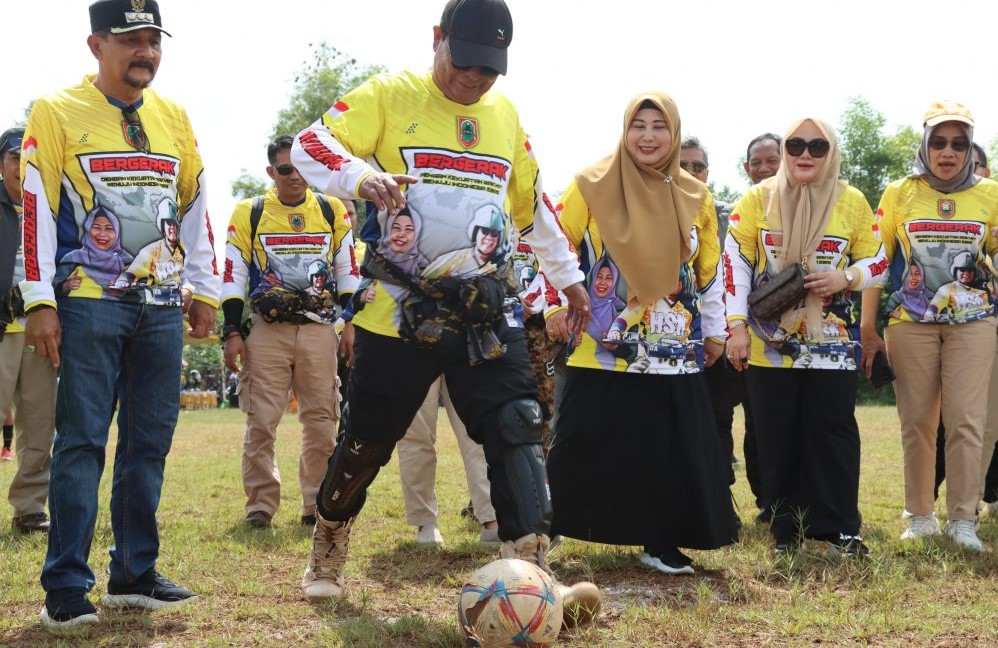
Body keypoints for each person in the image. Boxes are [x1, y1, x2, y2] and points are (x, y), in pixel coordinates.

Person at [290, 0, 600, 627]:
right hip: (397, 313)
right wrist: (357, 176)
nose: (474, 80)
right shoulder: (388, 95)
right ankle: (329, 540)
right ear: (437, 39)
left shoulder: (505, 115)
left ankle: (533, 572)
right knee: (369, 439)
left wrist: (569, 280)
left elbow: (533, 204)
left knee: (517, 422)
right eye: (464, 64)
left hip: (485, 309)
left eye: (489, 69)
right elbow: (309, 146)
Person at [21, 0, 219, 628]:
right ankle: (66, 587)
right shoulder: (54, 112)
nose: (147, 53)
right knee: (80, 441)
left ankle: (133, 573)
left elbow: (194, 205)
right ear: (95, 44)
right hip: (88, 304)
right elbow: (35, 207)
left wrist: (204, 288)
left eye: (154, 40)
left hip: (160, 305)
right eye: (132, 40)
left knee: (148, 442)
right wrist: (39, 299)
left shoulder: (175, 116)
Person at [546, 92, 738, 576]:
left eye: (659, 127)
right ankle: (543, 531)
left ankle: (661, 541)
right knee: (579, 441)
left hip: (673, 347)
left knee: (669, 447)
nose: (648, 136)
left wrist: (714, 333)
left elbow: (708, 273)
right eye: (639, 125)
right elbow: (554, 246)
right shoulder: (589, 185)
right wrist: (552, 303)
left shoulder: (695, 195)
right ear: (624, 130)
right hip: (600, 344)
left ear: (674, 134)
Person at [725, 117, 885, 557]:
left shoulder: (851, 200)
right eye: (796, 145)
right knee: (777, 434)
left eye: (817, 146)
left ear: (830, 152)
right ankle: (785, 532)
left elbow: (879, 261)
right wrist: (735, 327)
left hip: (832, 346)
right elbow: (734, 264)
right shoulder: (758, 199)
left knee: (833, 431)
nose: (805, 155)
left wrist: (846, 276)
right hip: (768, 345)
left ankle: (839, 529)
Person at [864, 104, 998, 553]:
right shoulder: (899, 192)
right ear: (925, 143)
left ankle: (964, 519)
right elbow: (877, 264)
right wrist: (868, 326)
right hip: (910, 323)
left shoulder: (991, 195)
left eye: (959, 144)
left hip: (975, 323)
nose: (948, 152)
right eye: (939, 142)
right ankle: (919, 515)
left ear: (968, 147)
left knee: (967, 420)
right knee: (917, 421)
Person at [222, 135, 358, 530]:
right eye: (285, 169)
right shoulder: (250, 211)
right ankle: (260, 506)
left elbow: (347, 268)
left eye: (300, 168)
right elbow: (232, 273)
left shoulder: (332, 210)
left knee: (321, 420)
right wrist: (232, 330)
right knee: (262, 420)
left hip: (319, 330)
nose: (294, 176)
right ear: (272, 172)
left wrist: (351, 322)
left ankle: (315, 504)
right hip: (267, 331)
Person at [0, 126, 57, 534]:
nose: (22, 165)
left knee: (39, 421)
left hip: (40, 330)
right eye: (14, 157)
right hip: (2, 327)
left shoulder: (54, 204)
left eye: (28, 156)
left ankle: (30, 507)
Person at [396, 376, 499, 545]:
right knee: (417, 433)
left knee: (476, 430)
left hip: (462, 350)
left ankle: (491, 516)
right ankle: (425, 520)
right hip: (413, 351)